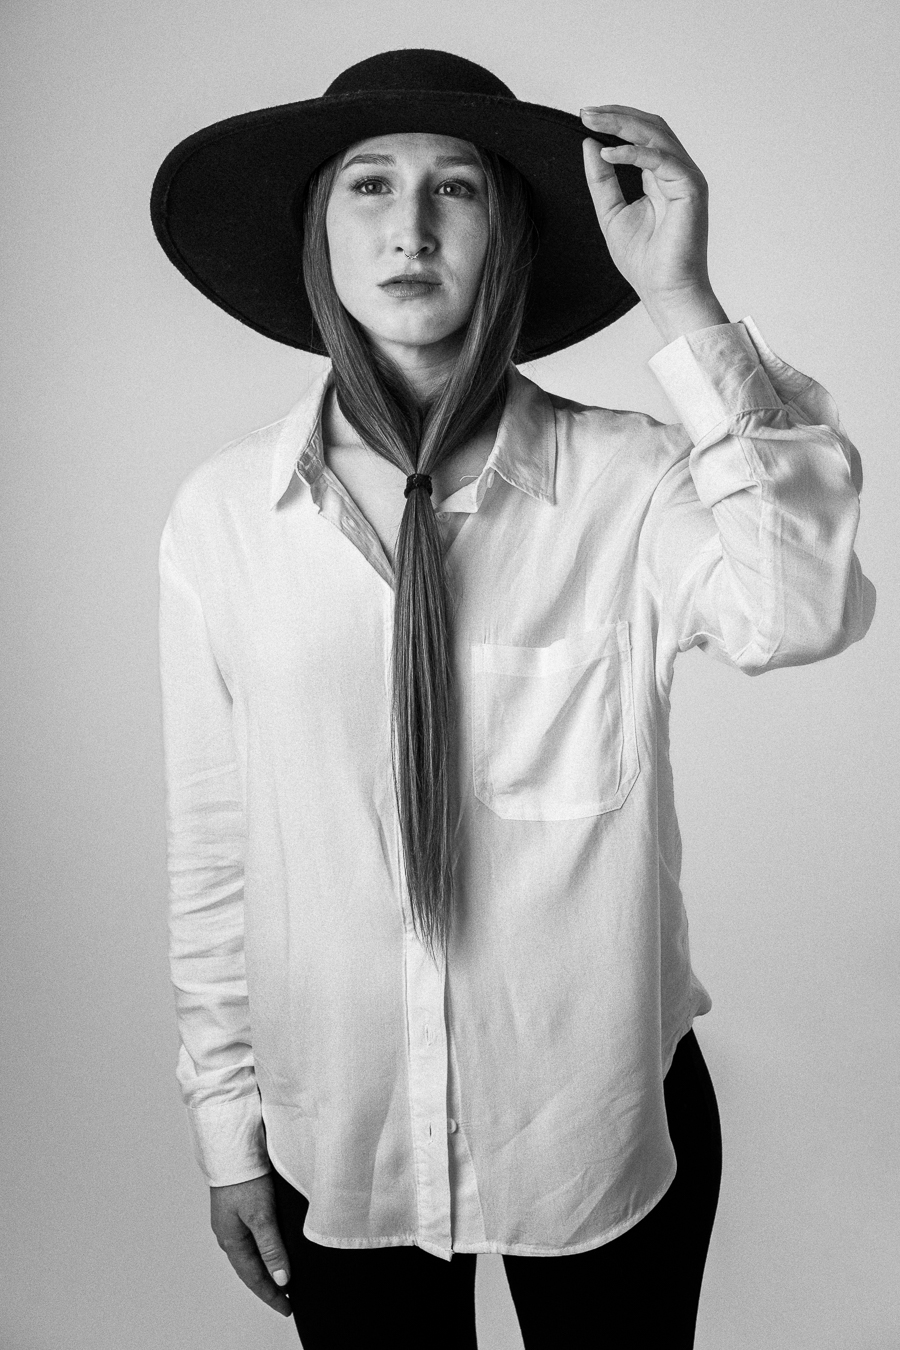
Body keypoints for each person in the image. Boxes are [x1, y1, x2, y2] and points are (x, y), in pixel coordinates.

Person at [153, 47, 876, 1350]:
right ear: (319, 233)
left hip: (604, 1122)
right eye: (368, 185)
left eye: (460, 189)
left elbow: (805, 607)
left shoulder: (635, 482)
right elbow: (215, 846)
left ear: (515, 233)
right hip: (344, 1134)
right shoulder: (224, 518)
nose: (412, 225)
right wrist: (224, 1122)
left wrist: (686, 302)